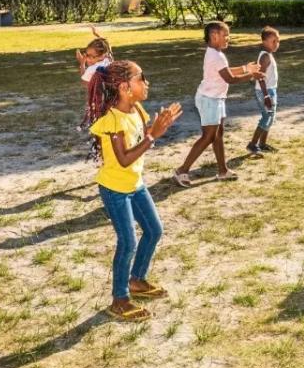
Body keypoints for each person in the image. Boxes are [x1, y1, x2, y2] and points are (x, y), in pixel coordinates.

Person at [88, 60, 182, 321]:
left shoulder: (137, 110)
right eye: (142, 78)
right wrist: (154, 136)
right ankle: (119, 300)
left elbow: (142, 136)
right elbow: (124, 159)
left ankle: (137, 280)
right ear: (124, 87)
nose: (146, 82)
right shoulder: (112, 120)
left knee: (154, 230)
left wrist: (157, 127)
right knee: (127, 242)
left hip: (135, 184)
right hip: (114, 189)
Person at [172, 21, 261, 185]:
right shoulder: (216, 55)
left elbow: (225, 71)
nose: (228, 38)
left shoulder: (215, 53)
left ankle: (223, 171)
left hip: (215, 99)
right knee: (208, 137)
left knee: (218, 135)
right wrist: (251, 76)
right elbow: (230, 79)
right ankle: (181, 171)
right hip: (209, 100)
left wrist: (245, 68)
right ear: (214, 36)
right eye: (225, 35)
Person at [246, 26, 280, 156]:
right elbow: (260, 77)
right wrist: (266, 96)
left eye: (278, 41)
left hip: (270, 90)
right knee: (267, 118)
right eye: (273, 41)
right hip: (265, 92)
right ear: (264, 42)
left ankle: (263, 144)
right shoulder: (265, 56)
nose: (276, 44)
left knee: (270, 117)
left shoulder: (268, 54)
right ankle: (252, 144)